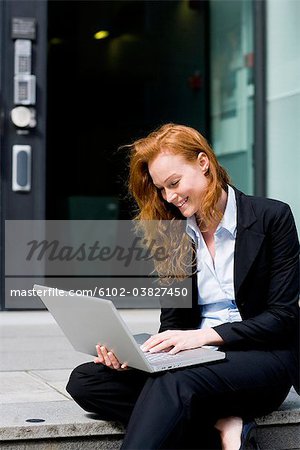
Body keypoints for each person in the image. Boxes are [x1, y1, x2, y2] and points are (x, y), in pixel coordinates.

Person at [66, 124, 299, 450]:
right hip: (195, 360)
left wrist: (202, 337)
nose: (169, 197)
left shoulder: (272, 217)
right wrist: (135, 355)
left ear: (203, 162)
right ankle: (223, 423)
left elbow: (283, 318)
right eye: (161, 189)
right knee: (87, 381)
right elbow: (174, 323)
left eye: (174, 183)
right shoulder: (173, 232)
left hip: (261, 359)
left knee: (175, 382)